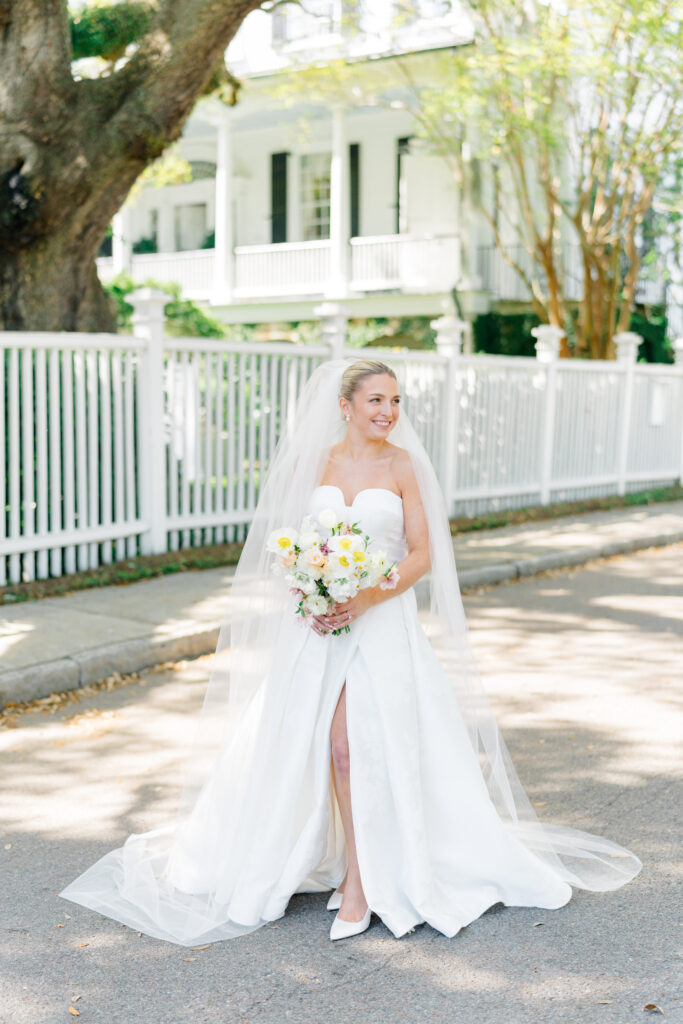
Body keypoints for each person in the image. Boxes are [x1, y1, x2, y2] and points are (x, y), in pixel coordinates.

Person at [59, 357, 642, 945]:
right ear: (346, 407)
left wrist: (363, 596)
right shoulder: (317, 463)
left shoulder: (404, 465)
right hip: (316, 628)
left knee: (349, 748)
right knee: (309, 747)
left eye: (395, 401)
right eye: (376, 401)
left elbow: (421, 553)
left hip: (381, 623)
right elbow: (287, 544)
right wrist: (310, 588)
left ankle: (362, 882)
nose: (388, 412)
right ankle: (336, 861)